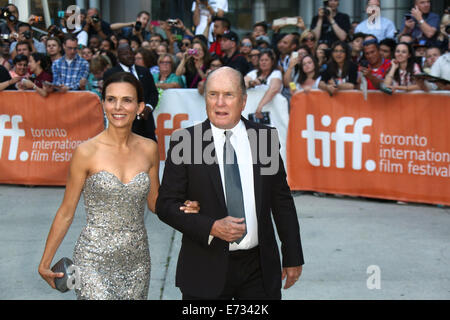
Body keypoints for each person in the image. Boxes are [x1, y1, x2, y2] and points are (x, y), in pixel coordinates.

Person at [38, 72, 200, 299]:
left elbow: (155, 203)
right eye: (111, 99)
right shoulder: (86, 152)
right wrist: (45, 261)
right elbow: (66, 211)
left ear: (140, 106)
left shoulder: (149, 148)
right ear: (103, 103)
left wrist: (183, 207)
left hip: (137, 260)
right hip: (93, 259)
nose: (118, 107)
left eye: (127, 100)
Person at [156, 66, 304, 300]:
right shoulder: (184, 142)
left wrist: (293, 255)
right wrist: (211, 226)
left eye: (228, 95)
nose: (220, 103)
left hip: (259, 269)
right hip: (205, 267)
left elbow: (281, 201)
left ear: (243, 101)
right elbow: (165, 206)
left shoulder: (263, 139)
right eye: (213, 94)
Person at [104, 44, 159, 142]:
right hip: (123, 124)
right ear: (118, 57)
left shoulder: (145, 71)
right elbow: (109, 97)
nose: (129, 56)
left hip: (146, 124)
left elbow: (153, 93)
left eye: (130, 53)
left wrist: (148, 108)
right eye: (125, 54)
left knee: (150, 155)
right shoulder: (111, 73)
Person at [244, 50, 283, 120]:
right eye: (261, 60)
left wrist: (260, 106)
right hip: (250, 110)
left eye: (266, 60)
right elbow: (241, 84)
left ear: (272, 62)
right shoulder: (253, 73)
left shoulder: (276, 73)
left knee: (269, 130)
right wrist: (251, 83)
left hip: (271, 110)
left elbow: (274, 89)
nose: (263, 62)